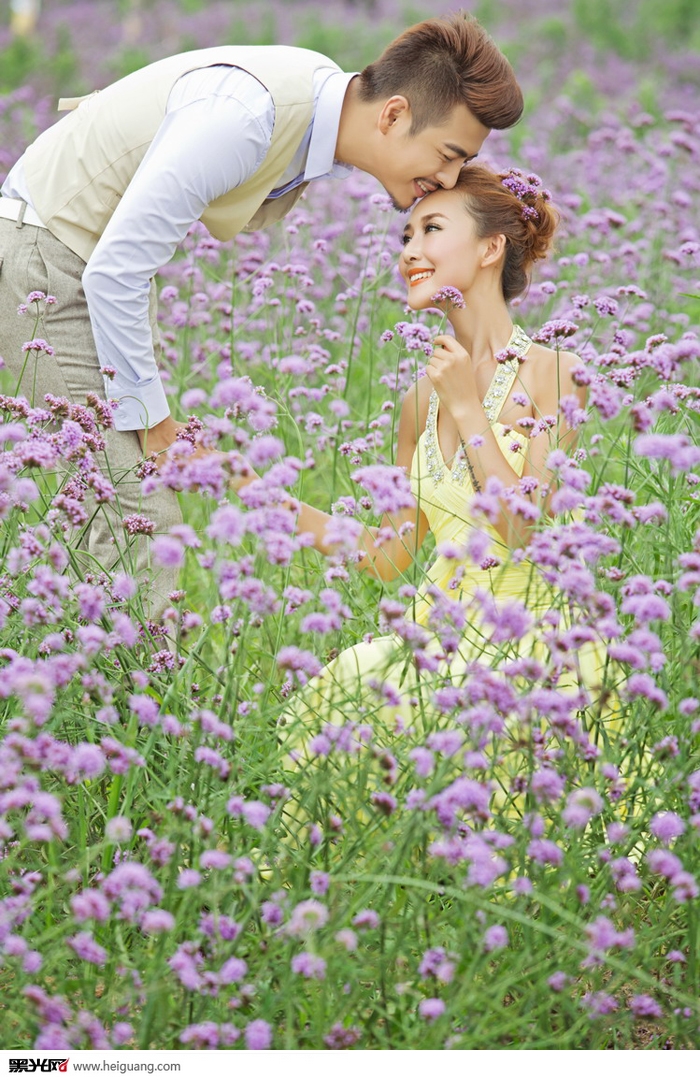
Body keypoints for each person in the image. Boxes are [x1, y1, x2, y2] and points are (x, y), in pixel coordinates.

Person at [0, 13, 522, 613]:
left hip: (88, 267)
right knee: (135, 514)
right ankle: (126, 672)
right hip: (54, 266)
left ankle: (88, 657)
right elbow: (115, 270)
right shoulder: (249, 116)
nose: (448, 178)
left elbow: (393, 554)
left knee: (115, 512)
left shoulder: (316, 102)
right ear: (394, 115)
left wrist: (240, 479)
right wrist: (155, 423)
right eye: (449, 155)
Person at [263, 165, 611, 817]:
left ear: (489, 248)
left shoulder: (557, 374)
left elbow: (523, 531)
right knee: (347, 690)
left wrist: (467, 405)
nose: (409, 251)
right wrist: (258, 496)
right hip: (442, 636)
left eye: (431, 230)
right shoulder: (418, 401)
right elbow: (386, 555)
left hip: (535, 647)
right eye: (406, 235)